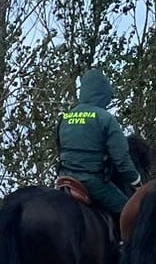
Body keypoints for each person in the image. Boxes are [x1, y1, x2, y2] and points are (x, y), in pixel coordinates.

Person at [57, 67, 142, 254]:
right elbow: (121, 159)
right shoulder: (105, 118)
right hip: (92, 182)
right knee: (128, 212)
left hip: (65, 181)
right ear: (104, 94)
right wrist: (136, 182)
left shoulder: (65, 117)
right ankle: (123, 255)